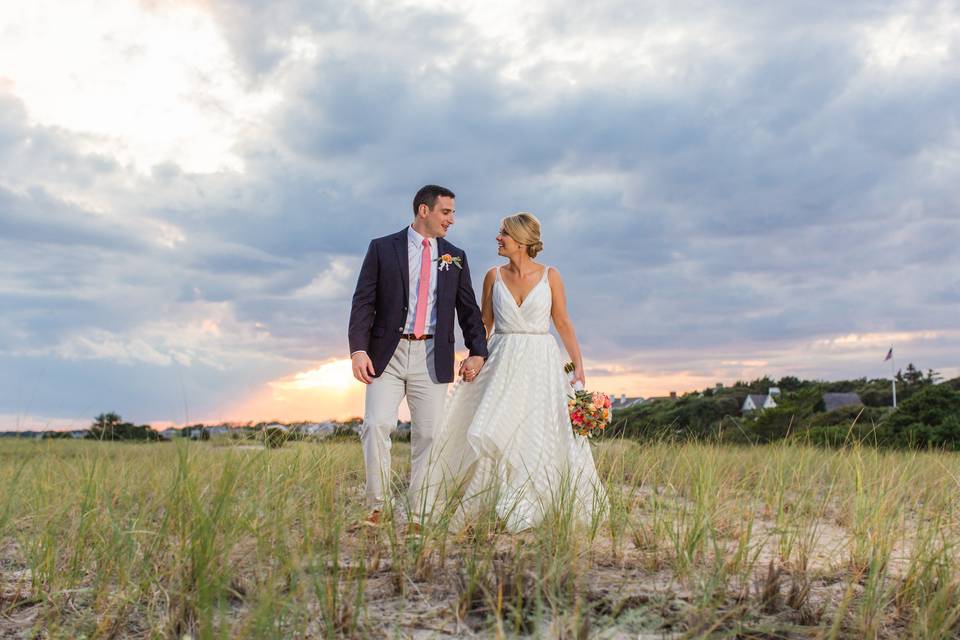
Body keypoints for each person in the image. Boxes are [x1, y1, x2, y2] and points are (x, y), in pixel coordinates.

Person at [429, 212, 606, 532]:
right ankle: (488, 499)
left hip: (541, 362)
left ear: (522, 240)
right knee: (496, 425)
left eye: (504, 233)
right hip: (502, 359)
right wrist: (474, 357)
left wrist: (578, 362)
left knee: (537, 429)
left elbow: (562, 322)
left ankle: (532, 501)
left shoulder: (551, 276)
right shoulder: (492, 276)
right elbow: (484, 324)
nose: (498, 238)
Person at [348, 185, 488, 527]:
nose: (451, 219)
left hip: (432, 354)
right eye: (446, 212)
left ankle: (419, 514)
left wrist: (477, 351)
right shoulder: (382, 248)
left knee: (429, 435)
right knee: (377, 424)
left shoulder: (455, 256)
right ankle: (376, 507)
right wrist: (358, 349)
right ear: (424, 211)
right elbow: (363, 301)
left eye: (453, 213)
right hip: (387, 355)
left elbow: (468, 309)